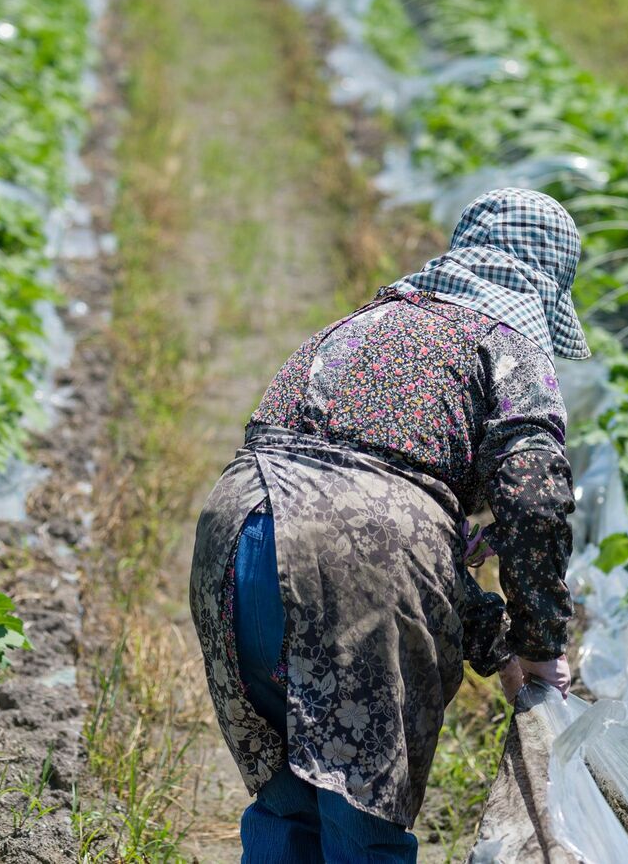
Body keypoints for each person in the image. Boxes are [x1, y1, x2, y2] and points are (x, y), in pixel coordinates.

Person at [189, 187, 587, 863]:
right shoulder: (506, 345)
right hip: (362, 563)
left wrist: (498, 649)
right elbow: (530, 498)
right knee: (359, 818)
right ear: (544, 286)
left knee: (288, 801)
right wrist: (541, 640)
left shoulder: (361, 326)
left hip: (237, 529)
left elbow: (391, 526)